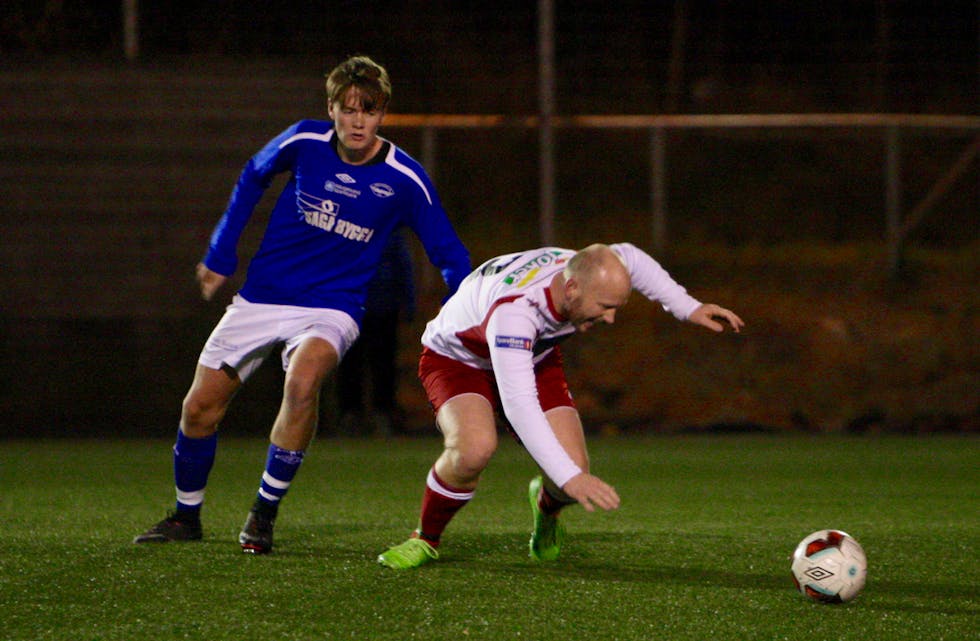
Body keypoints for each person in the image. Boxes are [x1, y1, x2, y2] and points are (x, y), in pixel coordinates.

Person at [133, 55, 471, 554]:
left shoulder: (404, 178)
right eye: (349, 109)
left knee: (304, 378)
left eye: (370, 111)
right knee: (199, 410)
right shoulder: (304, 141)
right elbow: (253, 174)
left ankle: (263, 514)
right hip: (263, 297)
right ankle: (186, 517)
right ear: (330, 108)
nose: (358, 121)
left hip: (332, 307)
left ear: (383, 115)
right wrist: (221, 253)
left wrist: (465, 309)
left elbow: (448, 252)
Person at [377, 243, 743, 569]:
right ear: (571, 289)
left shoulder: (583, 269)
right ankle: (425, 538)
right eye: (604, 307)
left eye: (617, 307)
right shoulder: (516, 314)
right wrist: (570, 478)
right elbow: (520, 406)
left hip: (532, 355)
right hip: (459, 361)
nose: (610, 318)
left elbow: (631, 257)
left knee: (573, 468)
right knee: (474, 449)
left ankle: (546, 509)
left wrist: (688, 308)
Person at [335, 230, 415, 436]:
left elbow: (403, 265)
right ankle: (351, 415)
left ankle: (382, 413)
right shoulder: (342, 229)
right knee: (351, 364)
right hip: (351, 308)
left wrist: (408, 301)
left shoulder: (389, 231)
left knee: (383, 364)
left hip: (382, 306)